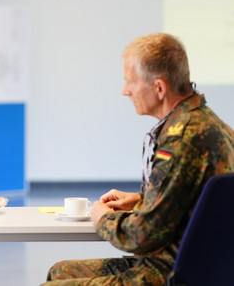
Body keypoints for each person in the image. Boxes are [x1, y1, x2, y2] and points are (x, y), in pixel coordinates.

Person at [44, 33, 234, 285]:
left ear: (159, 88)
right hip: (198, 264)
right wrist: (141, 201)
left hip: (167, 272)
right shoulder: (210, 122)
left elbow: (142, 236)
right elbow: (192, 201)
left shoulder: (181, 138)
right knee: (60, 271)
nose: (125, 91)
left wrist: (102, 217)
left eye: (129, 82)